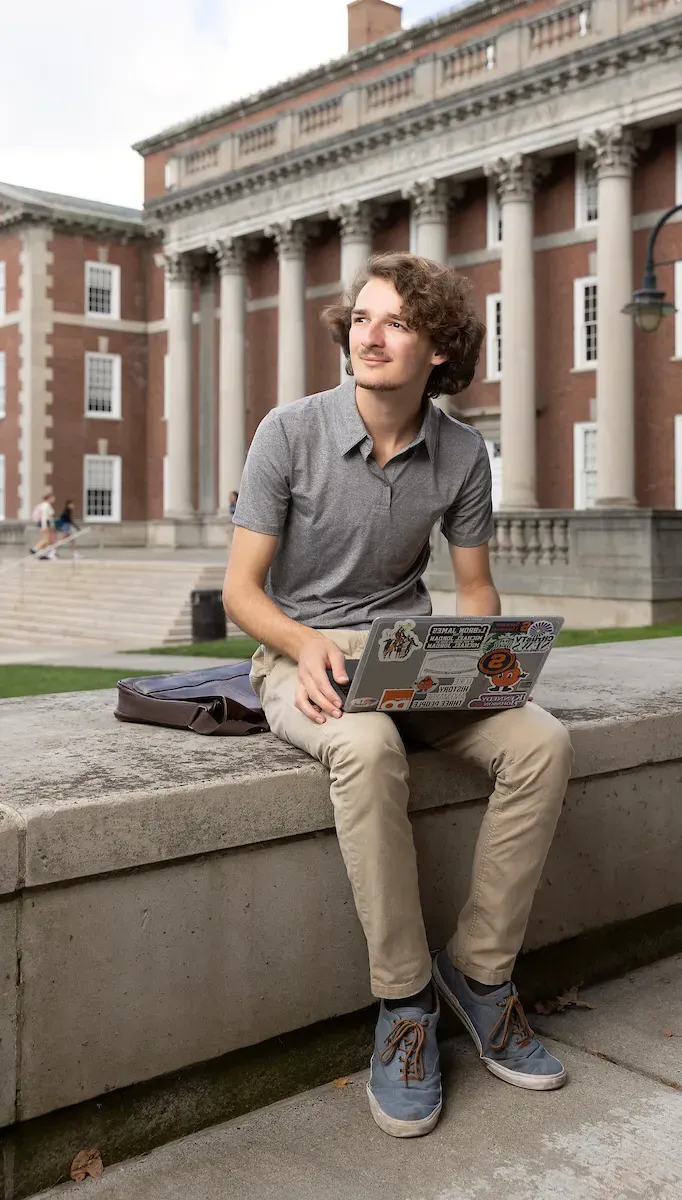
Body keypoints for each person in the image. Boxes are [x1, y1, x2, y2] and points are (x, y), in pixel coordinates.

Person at [223, 253, 572, 1140]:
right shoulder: (288, 432)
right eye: (363, 319)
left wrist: (488, 665)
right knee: (367, 749)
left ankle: (482, 976)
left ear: (439, 352)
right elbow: (241, 593)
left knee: (542, 744)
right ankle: (405, 1005)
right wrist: (301, 645)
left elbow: (475, 586)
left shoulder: (462, 453)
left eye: (397, 324)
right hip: (299, 655)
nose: (369, 336)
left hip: (412, 655)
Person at [30, 491, 57, 559]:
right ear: (49, 498)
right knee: (46, 539)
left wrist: (52, 525)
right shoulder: (45, 505)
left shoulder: (46, 505)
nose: (54, 499)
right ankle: (35, 549)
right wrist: (44, 526)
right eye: (53, 498)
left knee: (47, 540)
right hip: (44, 523)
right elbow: (44, 517)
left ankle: (44, 553)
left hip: (45, 524)